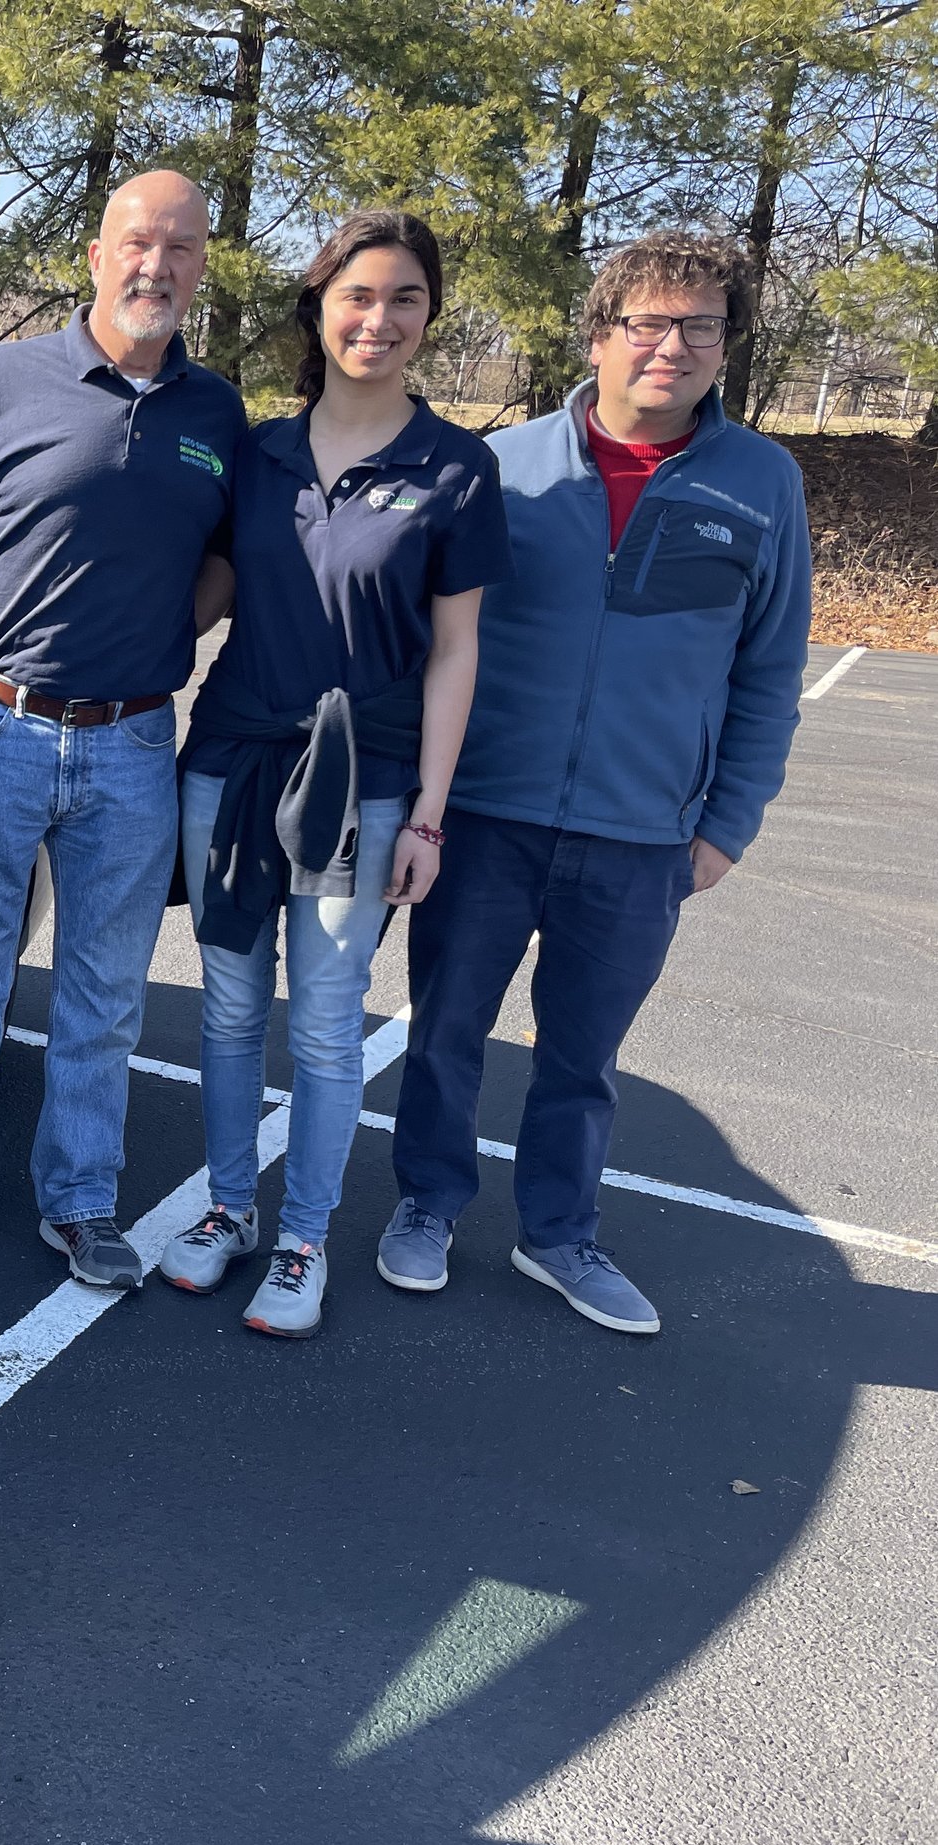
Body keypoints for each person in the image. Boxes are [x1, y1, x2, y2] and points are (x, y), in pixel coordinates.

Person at [376, 230, 813, 1334]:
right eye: (649, 322)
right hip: (484, 818)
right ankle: (424, 1203)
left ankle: (559, 1237)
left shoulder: (762, 483)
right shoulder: (501, 468)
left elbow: (768, 671)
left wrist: (726, 827)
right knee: (444, 1030)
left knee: (583, 1056)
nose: (672, 345)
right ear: (599, 333)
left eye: (699, 326)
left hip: (641, 836)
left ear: (723, 345)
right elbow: (432, 646)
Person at [0, 170, 247, 1287]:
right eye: (137, 242)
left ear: (199, 270)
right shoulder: (3, 381)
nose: (156, 267)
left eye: (180, 249)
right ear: (95, 254)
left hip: (131, 745)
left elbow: (231, 552)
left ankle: (80, 1201)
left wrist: (175, 627)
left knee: (102, 995)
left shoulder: (215, 415)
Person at [158, 210, 507, 1337]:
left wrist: (431, 817)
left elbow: (457, 652)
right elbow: (200, 596)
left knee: (319, 1018)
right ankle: (225, 1212)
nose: (379, 318)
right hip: (230, 760)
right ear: (319, 308)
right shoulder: (255, 453)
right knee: (222, 1007)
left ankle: (302, 1237)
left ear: (426, 317)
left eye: (404, 298)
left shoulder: (456, 467)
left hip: (365, 783)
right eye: (358, 295)